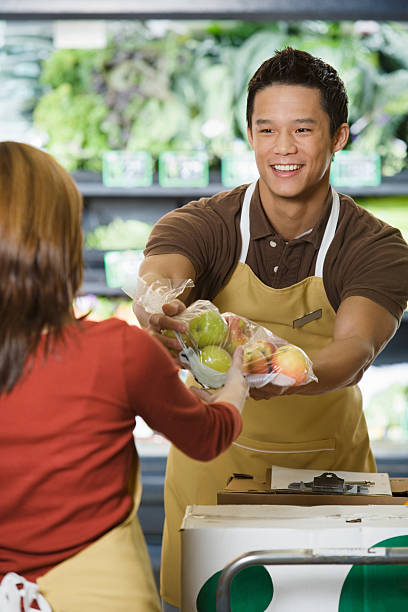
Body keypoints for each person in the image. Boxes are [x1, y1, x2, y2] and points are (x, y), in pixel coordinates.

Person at [133, 47, 408, 610]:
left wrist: (288, 367)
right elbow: (163, 276)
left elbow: (355, 348)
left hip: (328, 491)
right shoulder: (203, 224)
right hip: (211, 476)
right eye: (267, 130)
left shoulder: (375, 246)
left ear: (339, 138)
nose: (283, 149)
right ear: (250, 136)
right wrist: (160, 305)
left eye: (303, 130)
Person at [0, 141, 249, 612]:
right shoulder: (116, 350)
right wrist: (239, 379)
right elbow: (206, 436)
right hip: (100, 593)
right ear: (59, 244)